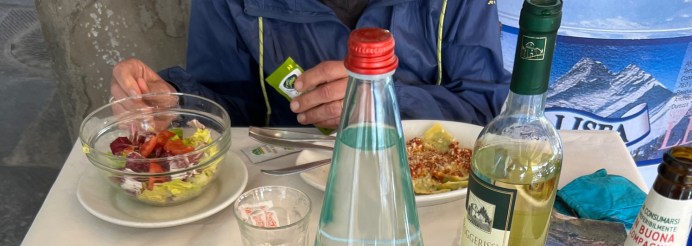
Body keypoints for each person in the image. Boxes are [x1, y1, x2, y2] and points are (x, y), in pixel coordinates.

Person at [111, 0, 509, 130]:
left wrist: (384, 102)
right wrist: (175, 104)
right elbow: (229, 110)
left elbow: (485, 110)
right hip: (286, 201)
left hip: (430, 196)